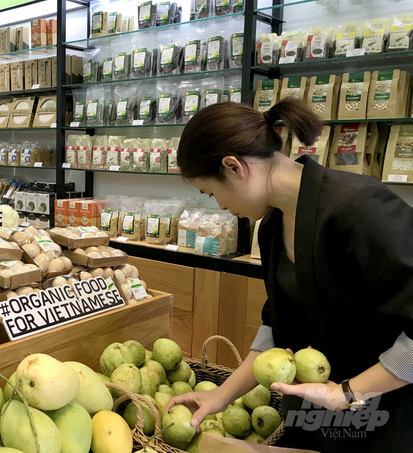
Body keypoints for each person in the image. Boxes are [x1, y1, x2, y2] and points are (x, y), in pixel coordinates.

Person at [168, 98, 413, 452]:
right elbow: (279, 327)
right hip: (315, 419)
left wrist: (348, 392)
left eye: (211, 191)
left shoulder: (360, 208)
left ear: (234, 167)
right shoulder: (270, 228)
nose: (220, 205)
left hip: (384, 421)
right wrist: (222, 395)